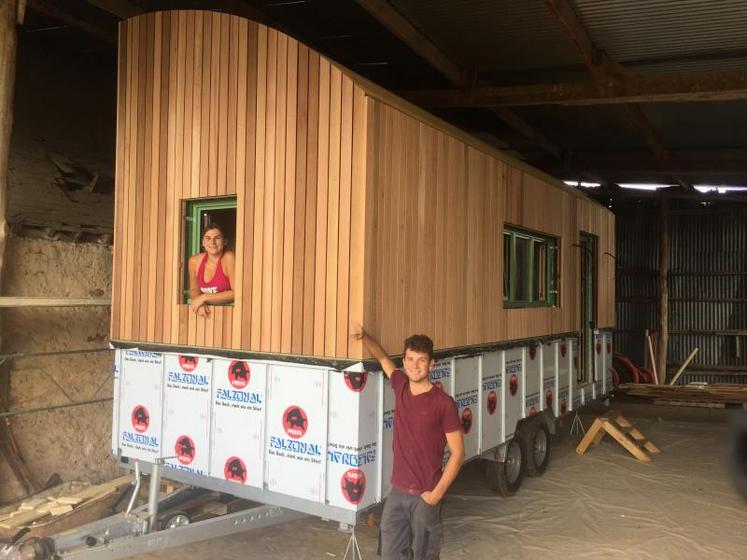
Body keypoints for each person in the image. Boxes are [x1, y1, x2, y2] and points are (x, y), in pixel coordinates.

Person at [351, 326, 465, 560]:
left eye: (421, 360)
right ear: (403, 362)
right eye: (410, 359)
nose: (415, 365)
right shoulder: (400, 385)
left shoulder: (443, 404)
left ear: (431, 364)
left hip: (426, 495)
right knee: (390, 555)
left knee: (425, 556)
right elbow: (382, 357)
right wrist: (365, 337)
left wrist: (434, 496)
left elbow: (458, 454)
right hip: (397, 493)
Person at [188, 223, 235, 317]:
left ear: (225, 241)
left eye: (217, 238)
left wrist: (204, 297)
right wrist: (200, 302)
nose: (212, 242)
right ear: (203, 243)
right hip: (205, 317)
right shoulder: (194, 261)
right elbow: (194, 290)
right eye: (208, 238)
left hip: (230, 316)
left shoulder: (229, 258)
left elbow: (236, 293)